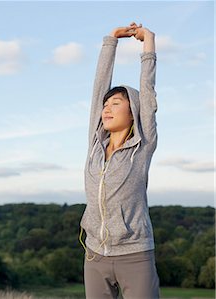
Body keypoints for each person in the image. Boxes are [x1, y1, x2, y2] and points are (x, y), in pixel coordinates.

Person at [78, 22, 161, 299]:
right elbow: (98, 86)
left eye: (116, 103)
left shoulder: (143, 144)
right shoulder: (95, 144)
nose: (106, 108)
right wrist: (111, 40)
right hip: (94, 256)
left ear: (133, 112)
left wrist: (148, 41)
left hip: (135, 254)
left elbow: (147, 92)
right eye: (106, 104)